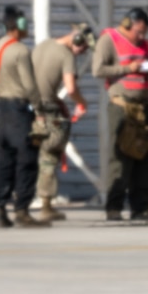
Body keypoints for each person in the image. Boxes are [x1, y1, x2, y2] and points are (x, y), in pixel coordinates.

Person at [93, 6, 148, 222]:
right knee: (120, 157)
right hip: (122, 107)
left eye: (144, 33)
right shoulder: (109, 39)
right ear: (126, 24)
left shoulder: (144, 44)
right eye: (138, 32)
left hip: (143, 106)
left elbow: (143, 65)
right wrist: (129, 68)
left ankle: (140, 208)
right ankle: (113, 208)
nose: (141, 37)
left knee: (144, 157)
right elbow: (98, 70)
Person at [0, 4, 48, 229]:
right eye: (24, 22)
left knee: (4, 161)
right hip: (21, 113)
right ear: (18, 25)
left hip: (3, 111)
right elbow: (30, 86)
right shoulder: (20, 50)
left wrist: (2, 97)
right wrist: (39, 111)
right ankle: (22, 211)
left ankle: (0, 211)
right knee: (27, 161)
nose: (27, 26)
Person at [29, 21, 93, 221]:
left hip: (30, 109)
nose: (81, 53)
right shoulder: (66, 55)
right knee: (49, 156)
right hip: (47, 113)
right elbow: (71, 88)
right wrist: (82, 103)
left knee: (31, 156)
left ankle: (22, 201)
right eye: (83, 49)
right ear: (77, 39)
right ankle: (46, 205)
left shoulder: (43, 45)